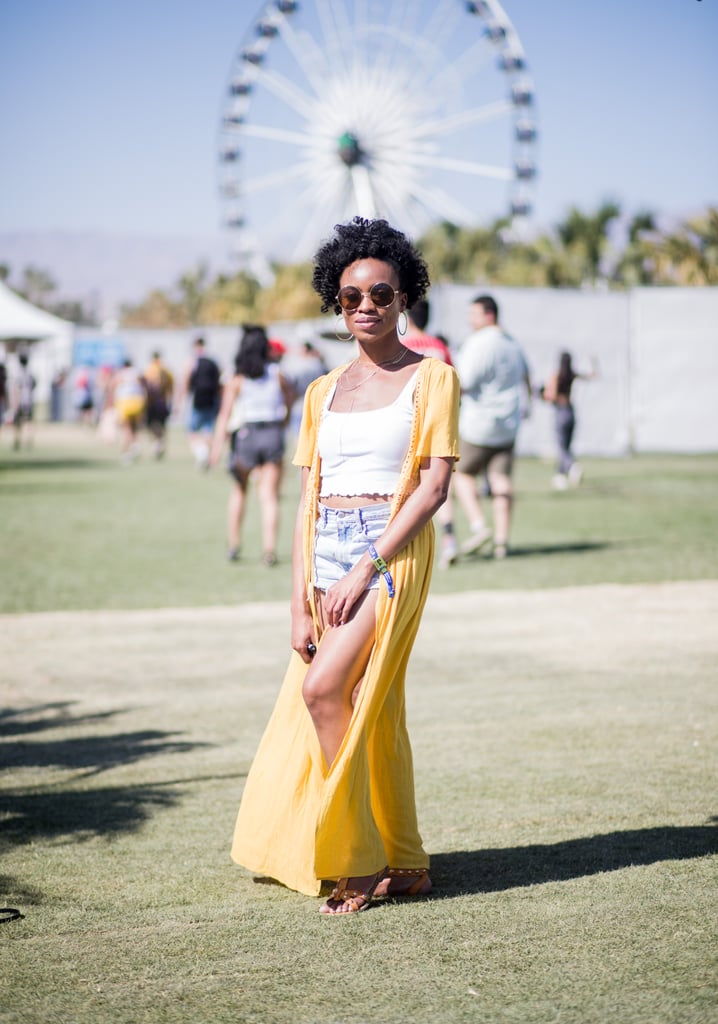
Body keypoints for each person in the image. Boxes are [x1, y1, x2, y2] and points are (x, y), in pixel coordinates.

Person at [230, 216, 460, 915]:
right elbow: (307, 496)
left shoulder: (433, 378)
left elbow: (435, 486)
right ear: (336, 301)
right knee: (369, 712)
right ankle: (408, 861)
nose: (367, 306)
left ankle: (357, 861)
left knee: (324, 692)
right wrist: (298, 599)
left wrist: (366, 566)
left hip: (385, 553)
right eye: (352, 294)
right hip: (325, 545)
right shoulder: (320, 390)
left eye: (382, 294)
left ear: (404, 298)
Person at [452, 294, 532, 560]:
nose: (469, 320)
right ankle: (501, 541)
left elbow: (463, 381)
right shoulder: (513, 343)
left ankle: (479, 525)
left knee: (461, 475)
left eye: (473, 314)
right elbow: (527, 377)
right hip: (508, 423)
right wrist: (527, 406)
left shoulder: (478, 343)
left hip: (479, 424)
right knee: (501, 480)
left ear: (489, 315)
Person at [209, 325, 295, 566]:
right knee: (269, 496)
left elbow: (224, 414)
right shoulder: (277, 373)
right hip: (272, 433)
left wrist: (216, 448)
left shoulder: (237, 378)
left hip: (247, 436)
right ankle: (269, 551)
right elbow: (290, 396)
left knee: (239, 490)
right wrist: (285, 421)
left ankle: (234, 545)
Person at [403, 299, 458, 569]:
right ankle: (449, 540)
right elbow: (453, 383)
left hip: (408, 427)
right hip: (436, 427)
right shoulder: (439, 346)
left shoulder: (401, 347)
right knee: (438, 487)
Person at [541, 351, 598, 489]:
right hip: (571, 412)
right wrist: (594, 362)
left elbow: (551, 395)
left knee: (561, 447)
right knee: (566, 446)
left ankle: (572, 466)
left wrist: (542, 394)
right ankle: (560, 476)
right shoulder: (571, 374)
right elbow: (592, 375)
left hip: (560, 411)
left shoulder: (556, 375)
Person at [180, 337, 221, 469]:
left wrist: (182, 400)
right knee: (208, 429)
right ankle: (206, 453)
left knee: (191, 431)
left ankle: (202, 453)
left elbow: (185, 381)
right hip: (212, 400)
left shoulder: (193, 362)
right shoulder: (213, 362)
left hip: (197, 400)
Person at [109, 358, 146, 464]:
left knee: (126, 428)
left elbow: (113, 386)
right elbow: (143, 386)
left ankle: (127, 452)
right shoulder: (137, 372)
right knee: (134, 427)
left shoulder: (120, 373)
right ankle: (135, 445)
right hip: (138, 401)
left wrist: (111, 404)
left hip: (125, 402)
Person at [143, 351, 175, 459]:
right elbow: (171, 389)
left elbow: (146, 388)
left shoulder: (149, 370)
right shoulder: (167, 370)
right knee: (162, 425)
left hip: (153, 402)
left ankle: (158, 443)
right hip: (163, 402)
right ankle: (160, 443)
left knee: (152, 424)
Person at [8, 353, 36, 451]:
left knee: (18, 423)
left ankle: (17, 441)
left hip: (20, 401)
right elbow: (34, 385)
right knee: (27, 421)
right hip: (29, 401)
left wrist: (15, 401)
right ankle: (27, 441)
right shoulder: (29, 373)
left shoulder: (18, 373)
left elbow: (16, 388)